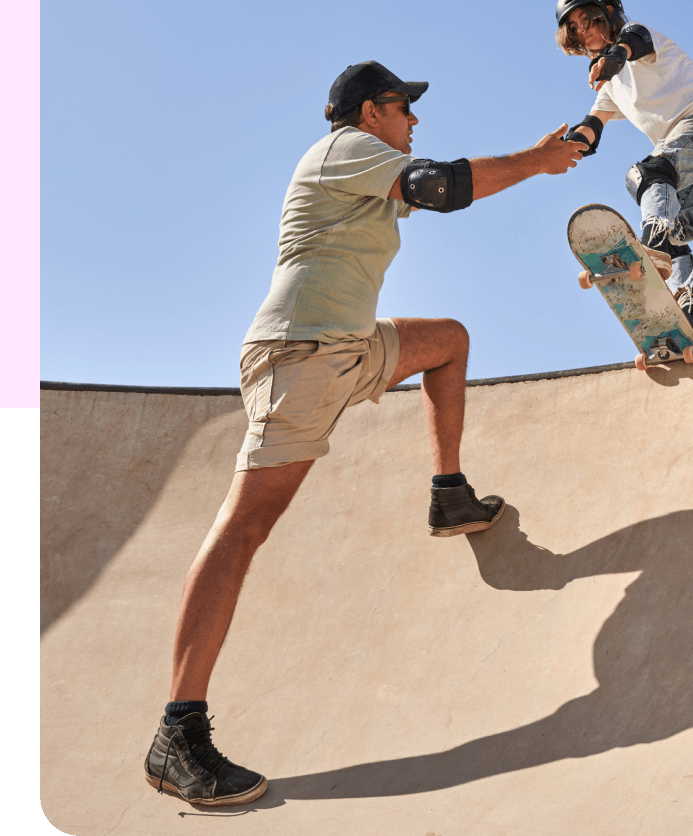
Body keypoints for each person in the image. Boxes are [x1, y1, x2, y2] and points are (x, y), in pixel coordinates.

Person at [143, 60, 588, 806]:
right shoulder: (343, 149)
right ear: (371, 111)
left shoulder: (367, 170)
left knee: (447, 340)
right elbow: (443, 187)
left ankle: (449, 493)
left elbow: (434, 186)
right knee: (246, 527)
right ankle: (177, 734)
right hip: (298, 357)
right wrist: (539, 161)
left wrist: (533, 162)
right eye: (404, 108)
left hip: (348, 348)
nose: (414, 121)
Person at [553, 0, 693, 347]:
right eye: (574, 29)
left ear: (608, 11)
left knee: (646, 175)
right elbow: (593, 125)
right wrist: (568, 146)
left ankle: (651, 242)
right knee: (674, 233)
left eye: (587, 21)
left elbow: (633, 42)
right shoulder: (609, 86)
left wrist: (615, 57)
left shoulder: (637, 36)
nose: (583, 33)